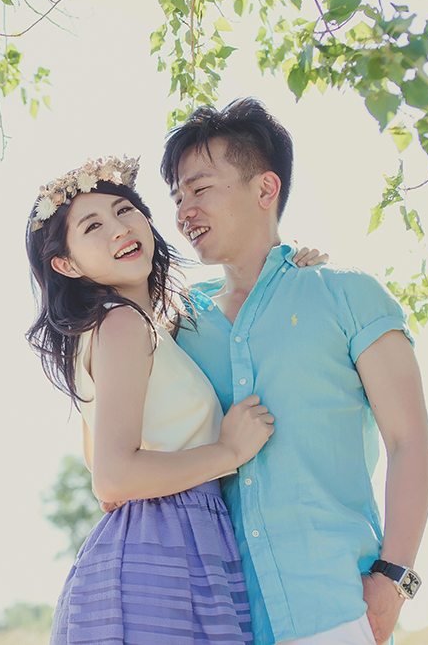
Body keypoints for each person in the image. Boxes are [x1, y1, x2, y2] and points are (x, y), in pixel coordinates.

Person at [161, 98, 428, 645]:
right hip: (218, 619)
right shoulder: (176, 326)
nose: (184, 210)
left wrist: (394, 579)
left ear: (266, 189)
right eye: (177, 197)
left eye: (200, 188)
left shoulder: (347, 294)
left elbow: (411, 443)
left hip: (335, 608)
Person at [25, 156, 326, 645]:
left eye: (124, 210)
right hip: (162, 550)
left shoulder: (127, 328)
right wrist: (229, 451)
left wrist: (285, 271)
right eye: (92, 226)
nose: (119, 228)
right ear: (67, 264)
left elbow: (104, 474)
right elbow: (113, 478)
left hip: (163, 542)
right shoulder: (121, 324)